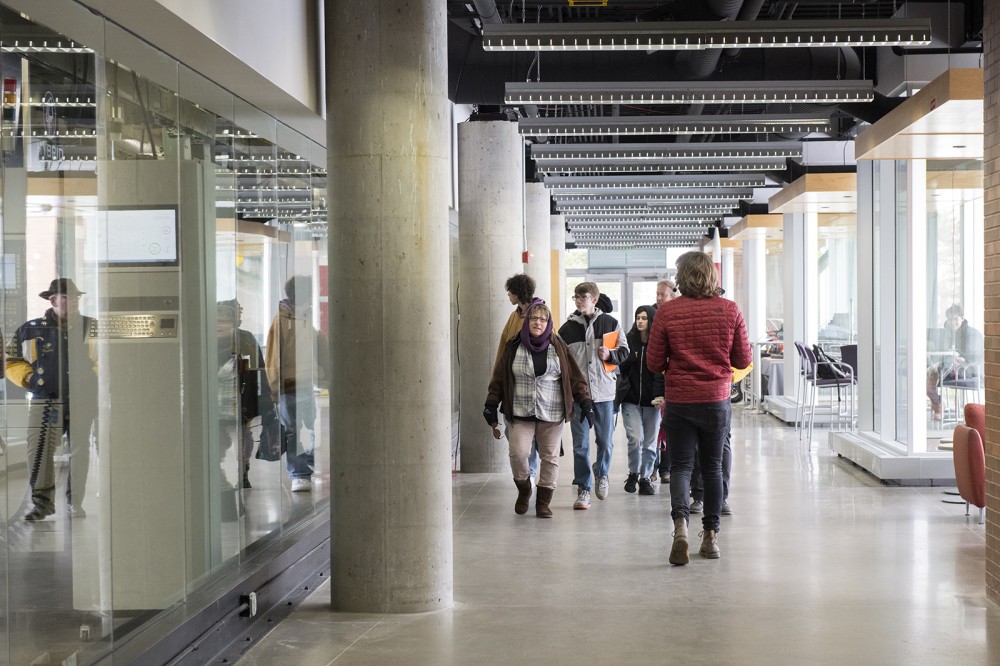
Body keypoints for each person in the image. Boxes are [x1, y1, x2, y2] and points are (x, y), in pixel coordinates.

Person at [647, 252, 750, 565]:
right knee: (713, 466)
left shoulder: (667, 312)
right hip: (716, 400)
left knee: (680, 466)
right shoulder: (730, 310)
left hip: (679, 400)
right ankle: (711, 537)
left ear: (682, 277)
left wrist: (677, 365)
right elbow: (743, 360)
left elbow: (653, 362)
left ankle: (680, 528)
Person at [485, 301, 593, 518]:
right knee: (518, 453)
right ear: (527, 322)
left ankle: (543, 502)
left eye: (543, 319)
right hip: (520, 412)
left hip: (551, 413)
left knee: (550, 457)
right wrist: (491, 401)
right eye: (534, 318)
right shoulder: (514, 345)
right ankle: (524, 489)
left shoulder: (558, 346)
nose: (538, 322)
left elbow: (574, 376)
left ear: (549, 323)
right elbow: (499, 376)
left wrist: (586, 401)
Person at [6, 278, 97, 521]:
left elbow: (106, 359)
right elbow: (11, 360)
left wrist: (91, 379)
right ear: (53, 300)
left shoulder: (92, 326)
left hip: (82, 400)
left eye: (76, 298)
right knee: (39, 450)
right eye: (67, 298)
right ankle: (42, 504)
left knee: (79, 451)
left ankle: (74, 503)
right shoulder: (30, 329)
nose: (73, 302)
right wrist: (30, 380)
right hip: (45, 399)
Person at [558, 282, 629, 510]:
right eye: (576, 297)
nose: (579, 300)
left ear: (595, 299)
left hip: (605, 394)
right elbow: (560, 364)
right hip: (580, 396)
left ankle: (602, 473)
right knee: (580, 446)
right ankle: (583, 488)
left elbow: (625, 352)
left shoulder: (610, 323)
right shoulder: (566, 329)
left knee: (605, 442)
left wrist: (610, 354)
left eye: (584, 296)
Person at [265, 276, 328, 492]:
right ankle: (298, 473)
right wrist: (274, 388)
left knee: (311, 425)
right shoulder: (282, 319)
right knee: (291, 430)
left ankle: (307, 459)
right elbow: (273, 356)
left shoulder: (305, 317)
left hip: (305, 383)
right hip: (288, 385)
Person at [218, 299, 277, 489]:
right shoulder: (202, 341)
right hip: (213, 406)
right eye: (217, 320)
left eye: (226, 320)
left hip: (239, 405)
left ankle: (243, 472)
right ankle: (218, 477)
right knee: (216, 447)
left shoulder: (246, 340)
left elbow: (258, 372)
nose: (221, 325)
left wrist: (265, 401)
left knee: (242, 442)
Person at [495, 273, 539, 479]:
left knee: (527, 432)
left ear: (517, 292)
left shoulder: (538, 314)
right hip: (511, 381)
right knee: (510, 431)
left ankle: (529, 472)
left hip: (531, 384)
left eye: (510, 292)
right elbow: (503, 348)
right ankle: (527, 471)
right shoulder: (514, 316)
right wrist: (498, 377)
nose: (508, 296)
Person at [618, 305, 664, 496]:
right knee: (635, 439)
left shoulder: (658, 344)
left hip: (652, 402)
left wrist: (661, 395)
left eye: (644, 318)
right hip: (630, 400)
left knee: (650, 443)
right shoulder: (628, 341)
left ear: (651, 321)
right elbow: (619, 365)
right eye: (638, 317)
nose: (640, 321)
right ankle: (633, 473)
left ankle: (645, 478)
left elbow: (662, 371)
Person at [926, 303, 984, 420]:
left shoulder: (972, 334)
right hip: (946, 369)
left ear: (962, 318)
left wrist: (963, 358)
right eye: (950, 319)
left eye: (956, 319)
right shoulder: (945, 334)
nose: (953, 322)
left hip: (967, 371)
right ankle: (938, 403)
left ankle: (938, 404)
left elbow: (977, 355)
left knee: (931, 375)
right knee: (927, 374)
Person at [653, 278, 677, 484]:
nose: (659, 298)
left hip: (675, 383)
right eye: (658, 294)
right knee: (655, 431)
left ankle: (666, 469)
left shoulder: (678, 315)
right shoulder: (652, 315)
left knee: (669, 431)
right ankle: (653, 468)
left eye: (663, 294)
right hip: (657, 379)